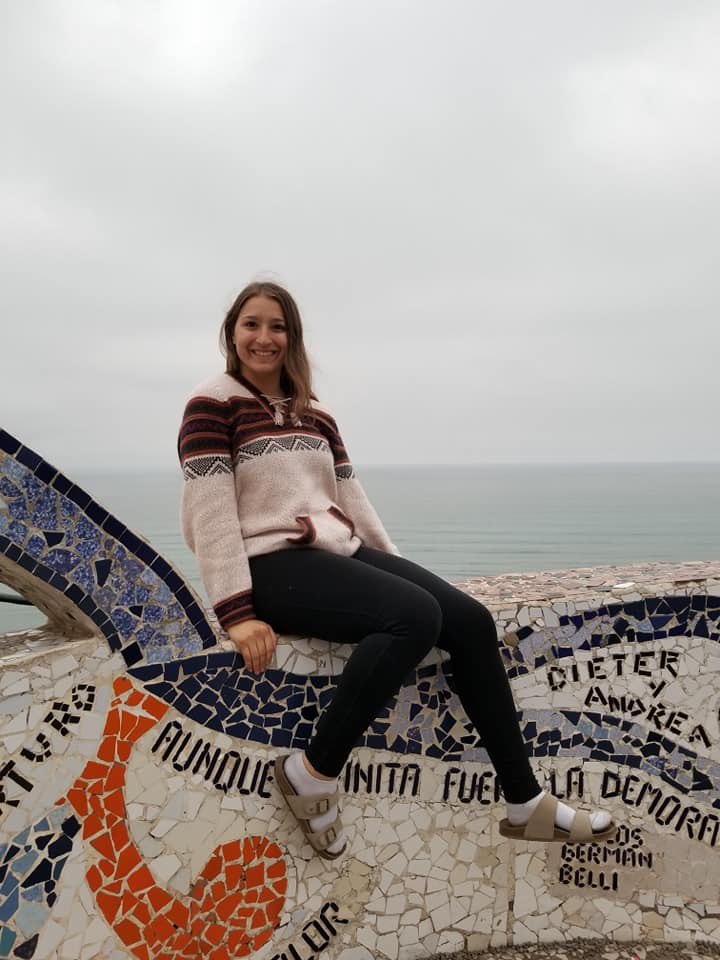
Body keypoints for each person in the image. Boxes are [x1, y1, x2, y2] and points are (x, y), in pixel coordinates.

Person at [178, 280, 615, 860]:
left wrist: (396, 571)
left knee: (468, 620)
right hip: (268, 564)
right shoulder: (212, 404)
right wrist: (236, 611)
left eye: (277, 326)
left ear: (293, 337)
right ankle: (312, 771)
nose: (265, 337)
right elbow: (209, 513)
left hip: (333, 550)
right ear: (231, 333)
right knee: (413, 617)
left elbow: (351, 498)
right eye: (251, 324)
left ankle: (523, 801)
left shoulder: (314, 412)